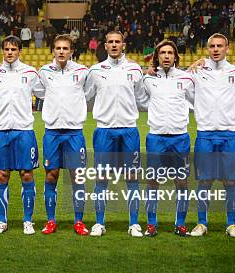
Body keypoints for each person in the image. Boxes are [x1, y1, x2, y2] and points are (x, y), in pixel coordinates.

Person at [84, 31, 147, 237]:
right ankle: (99, 223)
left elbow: (142, 98)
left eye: (117, 42)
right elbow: (83, 96)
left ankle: (134, 223)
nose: (113, 45)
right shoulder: (95, 70)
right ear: (105, 45)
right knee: (101, 178)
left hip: (129, 129)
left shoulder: (135, 69)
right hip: (104, 130)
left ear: (123, 45)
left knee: (132, 178)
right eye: (110, 42)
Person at [188, 33, 235, 238]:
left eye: (220, 46)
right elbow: (177, 82)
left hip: (230, 135)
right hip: (205, 134)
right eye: (212, 46)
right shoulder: (197, 72)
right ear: (207, 49)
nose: (216, 49)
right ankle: (201, 223)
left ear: (227, 48)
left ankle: (231, 224)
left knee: (230, 181)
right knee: (204, 181)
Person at [0, 36, 42, 235]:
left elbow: (46, 93)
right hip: (1, 131)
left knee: (26, 174)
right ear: (3, 51)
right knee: (1, 176)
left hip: (24, 131)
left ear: (19, 51)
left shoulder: (31, 73)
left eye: (13, 49)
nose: (9, 52)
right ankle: (1, 221)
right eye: (6, 49)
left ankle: (27, 221)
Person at [138, 40, 195, 237]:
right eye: (163, 53)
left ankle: (180, 223)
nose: (167, 56)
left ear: (176, 57)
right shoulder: (148, 80)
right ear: (157, 57)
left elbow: (196, 100)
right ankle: (151, 224)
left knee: (182, 182)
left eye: (170, 52)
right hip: (156, 137)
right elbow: (141, 99)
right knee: (153, 181)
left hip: (180, 137)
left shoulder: (186, 78)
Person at [36, 34, 90, 235]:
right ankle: (51, 221)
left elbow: (90, 91)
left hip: (75, 132)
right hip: (52, 132)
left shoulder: (83, 71)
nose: (61, 51)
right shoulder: (44, 72)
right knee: (51, 176)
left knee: (77, 177)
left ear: (71, 51)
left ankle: (78, 221)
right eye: (58, 48)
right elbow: (39, 92)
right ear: (53, 50)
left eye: (65, 48)